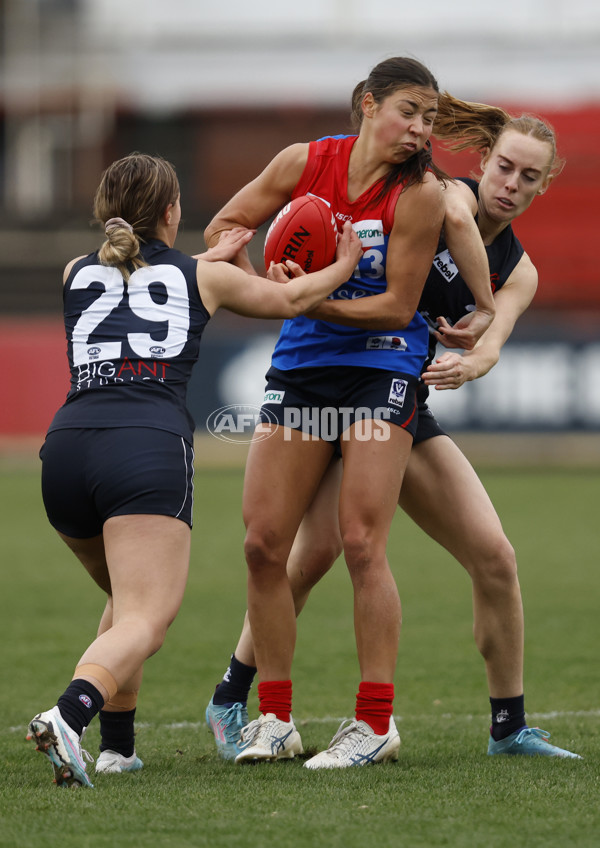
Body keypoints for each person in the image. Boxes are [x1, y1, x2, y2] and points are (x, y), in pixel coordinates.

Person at [205, 95, 582, 763]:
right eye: (503, 167)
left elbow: (494, 344)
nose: (510, 185)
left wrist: (474, 358)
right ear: (484, 162)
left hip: (401, 394)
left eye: (529, 177)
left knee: (494, 557)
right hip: (353, 378)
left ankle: (509, 727)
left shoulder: (519, 269)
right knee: (301, 551)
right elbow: (458, 221)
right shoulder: (440, 197)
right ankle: (236, 692)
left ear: (544, 185)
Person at [26, 152, 362, 788]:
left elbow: (140, 279)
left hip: (66, 451)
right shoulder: (204, 279)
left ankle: (118, 749)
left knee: (127, 606)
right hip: (143, 450)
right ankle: (69, 716)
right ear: (172, 212)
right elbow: (289, 297)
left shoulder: (74, 271)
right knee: (146, 619)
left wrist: (203, 263)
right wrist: (341, 265)